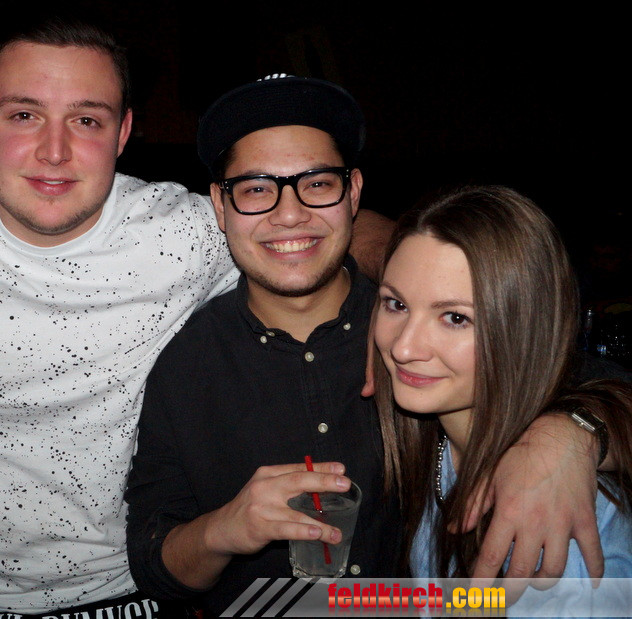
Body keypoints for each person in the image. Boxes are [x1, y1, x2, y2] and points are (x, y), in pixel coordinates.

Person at [0, 17, 607, 616]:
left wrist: (563, 421)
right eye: (23, 114)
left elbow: (371, 241)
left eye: (87, 120)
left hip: (133, 597)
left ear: (126, 133)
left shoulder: (192, 229)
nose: (54, 152)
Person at [124, 75, 619, 615]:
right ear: (221, 206)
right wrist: (225, 529)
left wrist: (570, 434)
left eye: (317, 183)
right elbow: (154, 561)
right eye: (257, 188)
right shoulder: (185, 363)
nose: (289, 213)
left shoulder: (409, 337)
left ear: (353, 192)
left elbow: (563, 372)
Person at [373, 186, 632, 613]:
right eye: (396, 304)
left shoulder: (556, 513)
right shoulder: (438, 447)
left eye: (455, 317)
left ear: (524, 330)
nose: (403, 347)